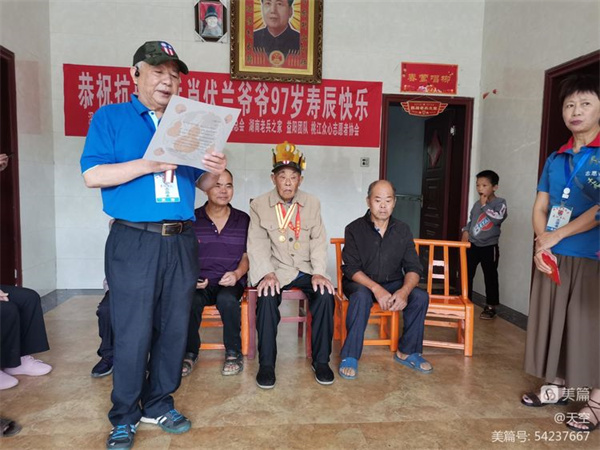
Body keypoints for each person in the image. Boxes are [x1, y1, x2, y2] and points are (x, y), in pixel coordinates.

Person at [80, 41, 227, 449]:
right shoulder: (111, 118)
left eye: (174, 75)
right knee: (132, 329)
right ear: (135, 74)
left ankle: (159, 402)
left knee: (175, 326)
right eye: (159, 72)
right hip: (134, 239)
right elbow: (93, 175)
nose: (168, 81)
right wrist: (149, 164)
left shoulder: (186, 124)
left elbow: (201, 184)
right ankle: (125, 415)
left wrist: (216, 170)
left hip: (180, 240)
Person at [522, 74, 599, 433]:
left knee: (590, 327)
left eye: (585, 103)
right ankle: (559, 385)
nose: (575, 111)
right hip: (554, 255)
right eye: (569, 105)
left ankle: (596, 401)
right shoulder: (556, 158)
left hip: (592, 255)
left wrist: (556, 235)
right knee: (558, 324)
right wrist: (542, 242)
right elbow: (541, 206)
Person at [247, 141, 335, 389]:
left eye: (293, 177)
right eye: (282, 177)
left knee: (325, 295)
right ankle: (266, 365)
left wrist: (319, 272)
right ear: (273, 178)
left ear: (300, 180)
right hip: (275, 269)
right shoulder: (259, 205)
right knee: (266, 297)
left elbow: (318, 241)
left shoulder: (312, 203)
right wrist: (267, 273)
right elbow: (257, 243)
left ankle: (321, 361)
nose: (288, 182)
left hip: (306, 269)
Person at [338, 180, 432, 380]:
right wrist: (376, 289)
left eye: (388, 200)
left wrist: (404, 291)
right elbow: (351, 268)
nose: (383, 206)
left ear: (394, 202)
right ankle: (350, 356)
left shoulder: (403, 230)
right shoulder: (354, 229)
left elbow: (414, 267)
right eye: (377, 200)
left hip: (393, 282)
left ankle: (407, 352)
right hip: (361, 283)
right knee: (361, 297)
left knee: (420, 297)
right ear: (368, 201)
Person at [182, 169, 249, 377]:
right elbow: (183, 254)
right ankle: (189, 352)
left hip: (231, 282)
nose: (223, 191)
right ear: (205, 189)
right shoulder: (192, 219)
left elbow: (247, 255)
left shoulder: (243, 219)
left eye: (228, 186)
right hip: (200, 282)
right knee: (191, 301)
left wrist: (237, 274)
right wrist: (191, 278)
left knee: (228, 301)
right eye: (217, 185)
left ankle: (233, 352)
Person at [460, 170, 508, 320]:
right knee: (467, 274)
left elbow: (498, 218)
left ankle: (490, 306)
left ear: (495, 187)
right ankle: (465, 301)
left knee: (490, 276)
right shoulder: (476, 205)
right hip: (473, 245)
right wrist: (466, 231)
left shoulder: (500, 203)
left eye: (484, 185)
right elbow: (472, 221)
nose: (480, 188)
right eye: (478, 185)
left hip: (489, 246)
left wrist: (485, 206)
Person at [91, 282, 113, 378]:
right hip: (119, 286)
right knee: (105, 309)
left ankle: (153, 360)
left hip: (149, 285)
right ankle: (109, 355)